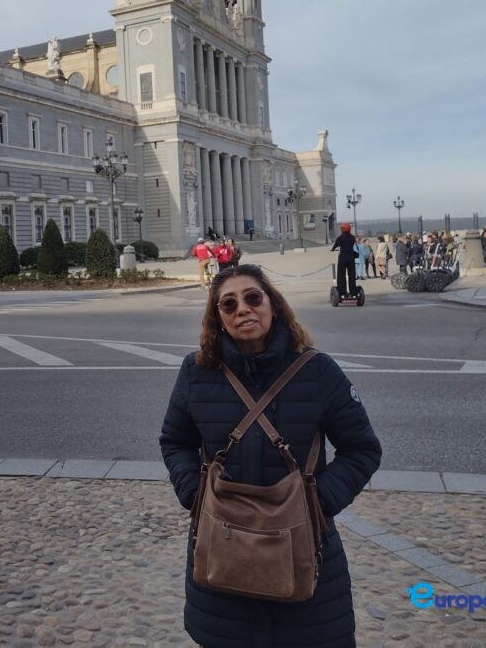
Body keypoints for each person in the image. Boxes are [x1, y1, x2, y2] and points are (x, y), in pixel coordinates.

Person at [160, 264, 381, 648]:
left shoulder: (317, 371)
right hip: (222, 556)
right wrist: (194, 493)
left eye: (252, 298)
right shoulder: (196, 373)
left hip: (304, 551)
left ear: (273, 305)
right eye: (228, 305)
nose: (243, 309)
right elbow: (174, 441)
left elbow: (362, 449)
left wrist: (318, 501)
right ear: (219, 320)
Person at [330, 222, 357, 296]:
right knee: (352, 275)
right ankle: (353, 292)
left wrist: (332, 249)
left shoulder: (340, 238)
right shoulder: (352, 237)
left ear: (342, 229)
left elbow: (335, 245)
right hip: (351, 257)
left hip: (343, 257)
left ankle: (342, 291)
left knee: (341, 275)